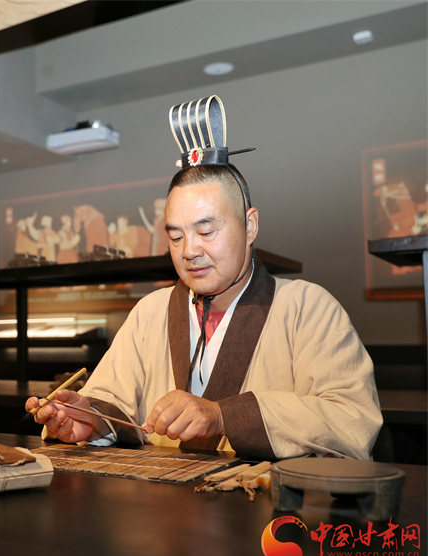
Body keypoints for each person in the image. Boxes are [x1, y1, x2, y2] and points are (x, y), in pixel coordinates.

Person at [25, 96, 382, 461]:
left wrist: (223, 415)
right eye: (175, 236)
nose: (189, 251)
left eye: (206, 231)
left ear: (250, 225)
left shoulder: (308, 307)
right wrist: (90, 419)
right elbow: (112, 398)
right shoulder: (151, 312)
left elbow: (352, 420)